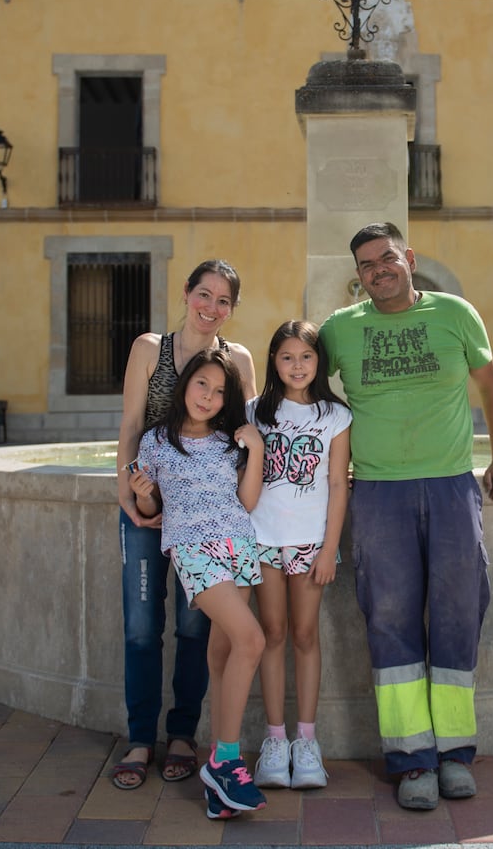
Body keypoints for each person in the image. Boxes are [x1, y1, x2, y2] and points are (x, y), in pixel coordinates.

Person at [318, 222, 493, 812]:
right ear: (359, 277)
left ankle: (456, 756)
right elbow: (297, 379)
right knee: (389, 618)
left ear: (408, 257)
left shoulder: (455, 314)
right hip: (378, 493)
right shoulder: (338, 329)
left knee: (458, 611)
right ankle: (410, 761)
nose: (377, 271)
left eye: (386, 259)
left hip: (452, 485)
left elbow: (491, 388)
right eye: (366, 266)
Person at [112, 261, 257, 791]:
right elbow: (131, 424)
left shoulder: (237, 359)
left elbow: (244, 436)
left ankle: (181, 734)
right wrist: (128, 490)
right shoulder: (150, 348)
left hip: (210, 515)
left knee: (198, 627)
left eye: (223, 300)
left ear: (232, 309)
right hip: (149, 503)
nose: (211, 307)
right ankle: (139, 738)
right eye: (204, 294)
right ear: (186, 294)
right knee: (140, 625)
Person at [129, 346, 268, 818]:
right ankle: (227, 761)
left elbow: (247, 503)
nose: (208, 396)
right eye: (201, 384)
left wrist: (259, 450)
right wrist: (144, 499)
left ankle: (218, 786)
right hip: (193, 550)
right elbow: (150, 512)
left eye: (219, 390)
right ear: (185, 384)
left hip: (240, 546)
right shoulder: (155, 442)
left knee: (224, 652)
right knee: (252, 638)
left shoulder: (231, 441)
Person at [247, 321, 352, 791]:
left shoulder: (335, 415)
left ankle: (306, 741)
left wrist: (330, 548)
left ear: (319, 362)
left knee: (305, 634)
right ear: (273, 361)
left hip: (311, 543)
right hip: (264, 538)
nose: (297, 366)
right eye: (287, 357)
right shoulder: (254, 413)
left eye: (306, 357)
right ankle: (274, 739)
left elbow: (336, 483)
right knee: (272, 633)